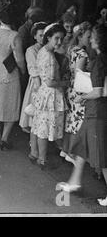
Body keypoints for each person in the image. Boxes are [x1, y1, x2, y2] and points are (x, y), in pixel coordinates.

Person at [58, 24, 107, 192]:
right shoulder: (102, 58)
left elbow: (99, 91)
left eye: (93, 36)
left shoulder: (99, 60)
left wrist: (82, 96)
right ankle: (74, 182)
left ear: (99, 40)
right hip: (94, 111)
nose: (91, 39)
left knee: (100, 155)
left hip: (97, 111)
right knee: (81, 147)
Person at [0, 6, 26, 150]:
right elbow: (19, 59)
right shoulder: (15, 35)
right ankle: (4, 138)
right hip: (9, 73)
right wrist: (22, 70)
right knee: (10, 105)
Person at [29, 24, 68, 169]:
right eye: (56, 38)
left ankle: (35, 153)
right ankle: (42, 159)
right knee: (44, 128)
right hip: (50, 94)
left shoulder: (43, 51)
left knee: (38, 125)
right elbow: (50, 81)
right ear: (49, 37)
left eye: (61, 39)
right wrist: (66, 83)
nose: (59, 42)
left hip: (43, 93)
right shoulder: (49, 56)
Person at [61, 22, 92, 163]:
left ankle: (64, 149)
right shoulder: (82, 54)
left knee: (70, 121)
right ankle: (71, 153)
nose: (90, 39)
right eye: (88, 36)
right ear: (80, 36)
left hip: (70, 88)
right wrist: (83, 95)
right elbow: (81, 75)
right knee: (76, 123)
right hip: (78, 89)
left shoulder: (71, 49)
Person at [19, 22, 47, 133]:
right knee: (34, 112)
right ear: (35, 36)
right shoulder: (31, 50)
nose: (43, 38)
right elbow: (34, 70)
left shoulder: (49, 49)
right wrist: (39, 88)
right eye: (40, 35)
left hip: (46, 82)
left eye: (45, 35)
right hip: (37, 83)